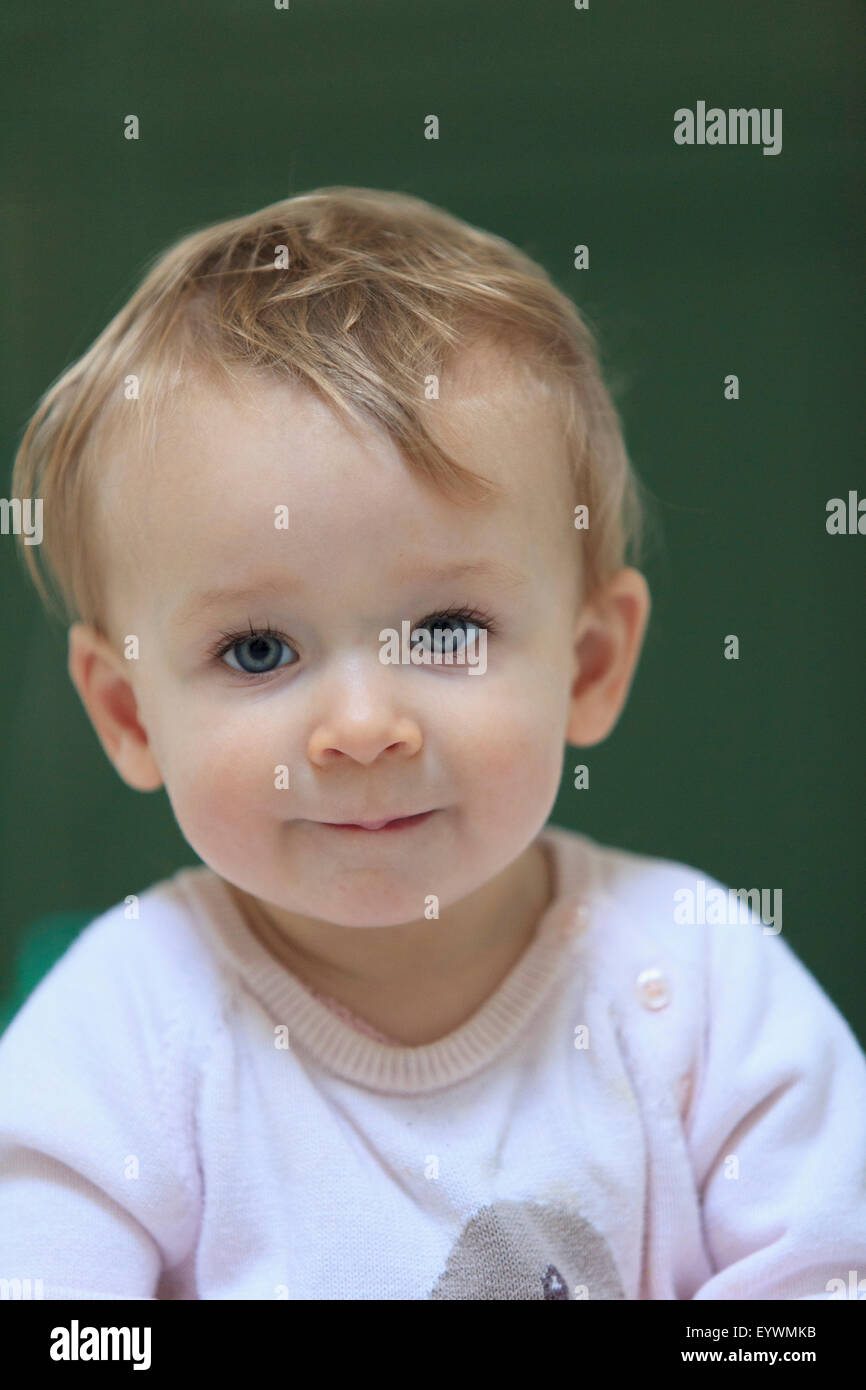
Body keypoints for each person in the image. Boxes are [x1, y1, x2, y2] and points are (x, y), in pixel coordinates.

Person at [1, 188, 864, 1300]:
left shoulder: (695, 982)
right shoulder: (122, 1031)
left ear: (588, 667)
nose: (362, 729)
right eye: (258, 650)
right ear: (127, 716)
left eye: (447, 630)